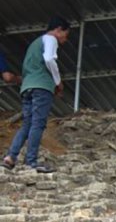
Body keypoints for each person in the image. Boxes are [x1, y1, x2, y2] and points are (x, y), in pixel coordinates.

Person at [2, 17, 71, 173]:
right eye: (65, 35)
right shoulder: (50, 39)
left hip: (27, 87)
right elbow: (48, 59)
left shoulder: (35, 44)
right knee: (38, 124)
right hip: (41, 87)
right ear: (58, 29)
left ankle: (10, 157)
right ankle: (31, 161)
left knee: (27, 124)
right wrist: (57, 81)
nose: (64, 40)